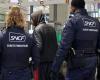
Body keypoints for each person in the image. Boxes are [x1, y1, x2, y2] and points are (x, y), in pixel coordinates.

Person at [51, 0, 100, 80]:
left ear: (73, 7)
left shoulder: (73, 21)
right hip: (92, 62)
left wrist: (54, 69)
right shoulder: (96, 22)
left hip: (77, 63)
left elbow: (63, 47)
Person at [0, 5, 40, 80]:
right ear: (22, 19)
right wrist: (29, 70)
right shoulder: (29, 37)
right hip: (24, 73)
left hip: (6, 74)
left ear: (8, 18)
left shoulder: (2, 36)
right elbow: (36, 59)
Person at [31, 10, 58, 80]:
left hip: (42, 63)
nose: (32, 21)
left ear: (37, 18)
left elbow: (39, 46)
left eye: (32, 19)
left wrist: (32, 56)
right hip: (52, 61)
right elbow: (56, 45)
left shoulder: (37, 29)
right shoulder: (52, 28)